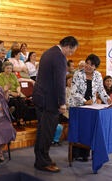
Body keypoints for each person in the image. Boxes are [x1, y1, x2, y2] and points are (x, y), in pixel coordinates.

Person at [32, 36, 78, 172]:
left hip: (40, 98)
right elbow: (59, 82)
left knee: (42, 131)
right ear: (68, 47)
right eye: (72, 51)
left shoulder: (48, 52)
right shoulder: (59, 57)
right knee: (46, 133)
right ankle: (43, 162)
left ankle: (41, 158)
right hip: (49, 101)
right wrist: (62, 102)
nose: (71, 54)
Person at [69, 54, 111, 162]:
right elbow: (74, 92)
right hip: (77, 106)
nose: (88, 66)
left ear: (95, 67)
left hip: (91, 107)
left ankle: (85, 154)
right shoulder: (78, 74)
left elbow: (101, 91)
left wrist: (109, 100)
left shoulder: (98, 75)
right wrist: (84, 101)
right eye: (87, 63)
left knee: (89, 129)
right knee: (79, 129)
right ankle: (75, 154)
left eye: (91, 65)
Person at [0, 61, 27, 128]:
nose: (9, 70)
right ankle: (18, 120)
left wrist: (18, 92)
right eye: (7, 68)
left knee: (23, 101)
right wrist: (12, 93)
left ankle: (20, 119)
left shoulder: (13, 75)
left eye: (10, 68)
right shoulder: (0, 76)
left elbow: (17, 85)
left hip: (16, 93)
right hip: (6, 94)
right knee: (16, 102)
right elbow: (1, 87)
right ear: (4, 68)